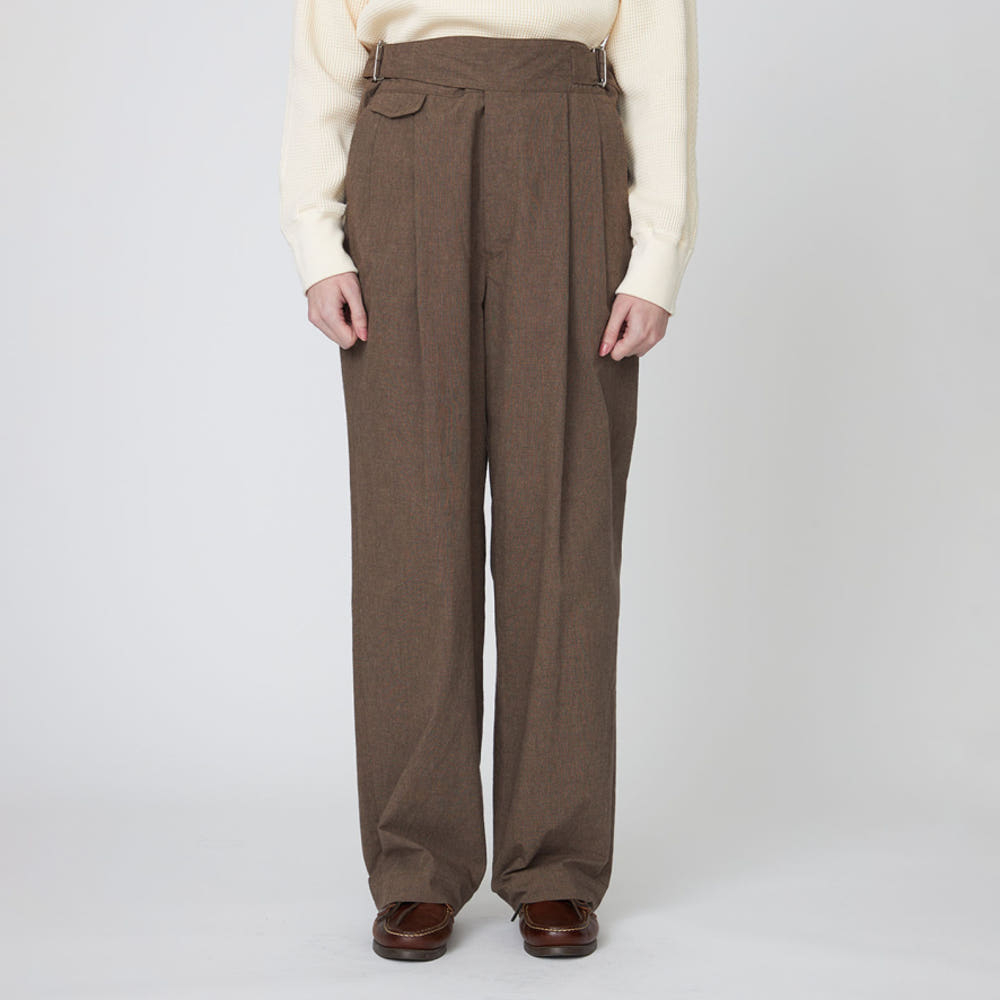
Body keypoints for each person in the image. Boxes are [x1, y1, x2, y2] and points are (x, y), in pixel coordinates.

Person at [278, 0, 698, 961]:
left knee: (566, 521)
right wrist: (316, 242)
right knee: (410, 526)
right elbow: (324, 63)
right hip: (405, 148)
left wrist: (656, 260)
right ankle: (416, 863)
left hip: (569, 144)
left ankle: (554, 864)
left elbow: (661, 73)